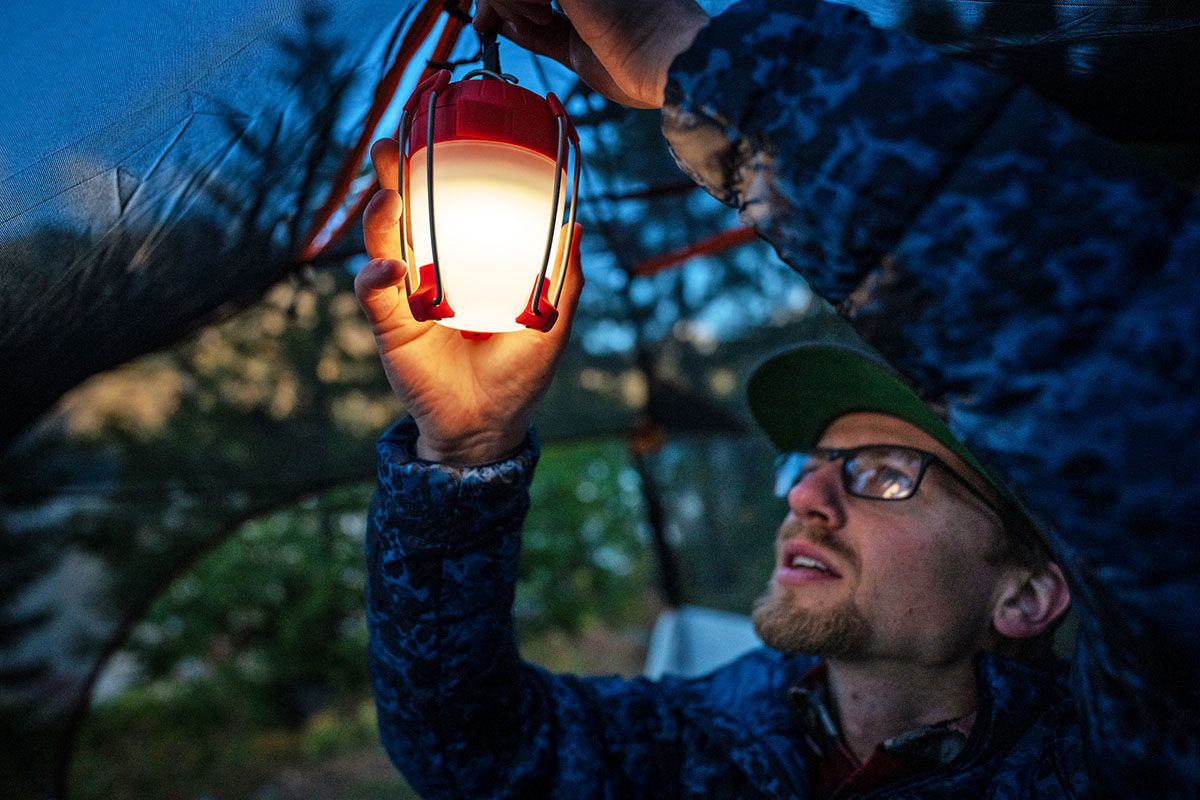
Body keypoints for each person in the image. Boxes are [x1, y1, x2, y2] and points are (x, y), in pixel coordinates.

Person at [356, 0, 1200, 797]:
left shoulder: (1102, 768)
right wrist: (466, 457)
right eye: (812, 463)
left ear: (1028, 594)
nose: (803, 495)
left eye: (883, 474)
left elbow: (1151, 420)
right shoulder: (709, 741)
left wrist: (695, 59)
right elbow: (471, 753)